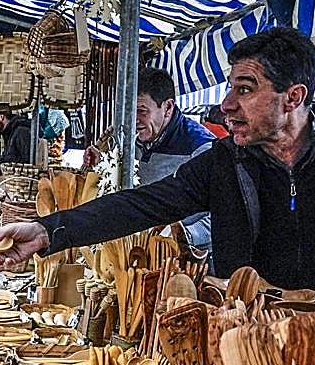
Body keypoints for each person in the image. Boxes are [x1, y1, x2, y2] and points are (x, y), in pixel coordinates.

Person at [0, 27, 315, 319]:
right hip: (249, 345)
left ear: (293, 97)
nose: (227, 106)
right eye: (229, 88)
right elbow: (143, 205)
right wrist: (49, 231)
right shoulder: (224, 162)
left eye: (245, 89)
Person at [87, 68, 217, 252]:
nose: (134, 120)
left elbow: (224, 215)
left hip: (189, 259)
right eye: (129, 110)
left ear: (168, 107)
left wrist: (185, 235)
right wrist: (102, 165)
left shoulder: (203, 148)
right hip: (139, 249)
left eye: (142, 110)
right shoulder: (132, 142)